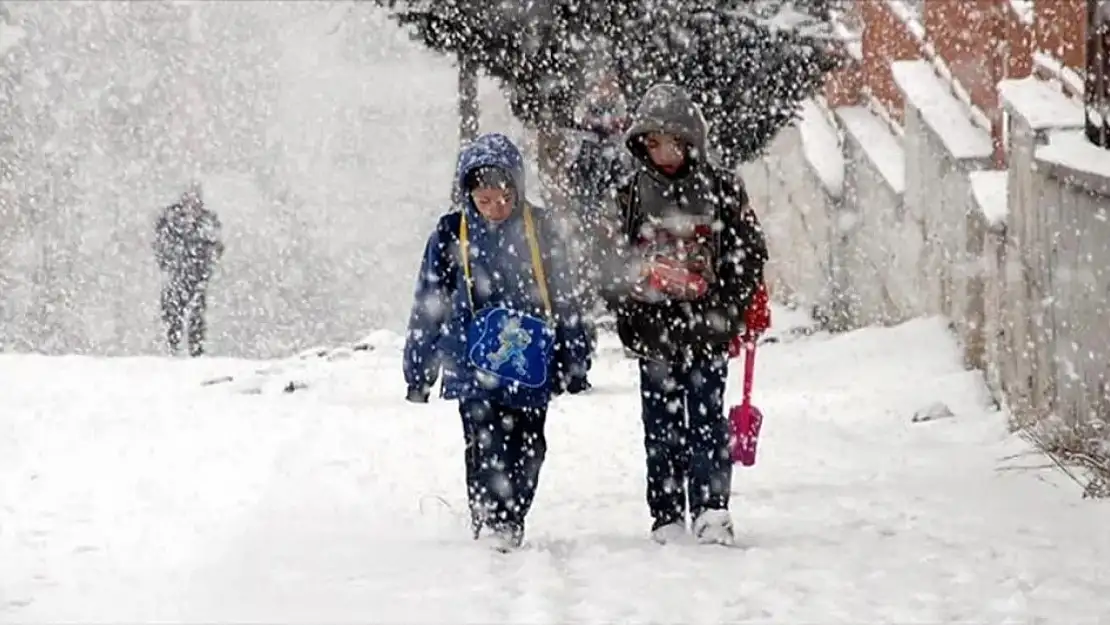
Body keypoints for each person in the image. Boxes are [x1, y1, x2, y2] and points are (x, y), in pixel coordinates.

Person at [403, 132, 590, 552]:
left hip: (530, 361)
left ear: (517, 190)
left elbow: (565, 296)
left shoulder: (540, 230)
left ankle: (513, 514)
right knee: (483, 442)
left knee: (529, 445)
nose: (494, 209)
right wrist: (419, 368)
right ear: (468, 194)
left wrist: (575, 357)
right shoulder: (452, 233)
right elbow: (428, 301)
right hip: (471, 360)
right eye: (484, 201)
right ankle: (489, 518)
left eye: (503, 199)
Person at [600, 83, 769, 546]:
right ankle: (667, 513)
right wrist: (634, 292)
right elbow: (607, 260)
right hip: (653, 333)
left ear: (692, 140)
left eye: (672, 142)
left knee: (707, 420)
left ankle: (713, 508)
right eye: (653, 144)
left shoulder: (721, 188)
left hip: (708, 328)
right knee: (661, 425)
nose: (664, 153)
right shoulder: (630, 194)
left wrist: (727, 303)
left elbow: (748, 252)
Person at [153, 182, 224, 357]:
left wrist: (207, 263)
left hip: (198, 274)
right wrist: (169, 261)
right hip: (177, 273)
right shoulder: (171, 219)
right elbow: (161, 244)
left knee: (196, 313)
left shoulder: (207, 222)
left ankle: (196, 350)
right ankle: (172, 348)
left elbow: (216, 246)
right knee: (172, 311)